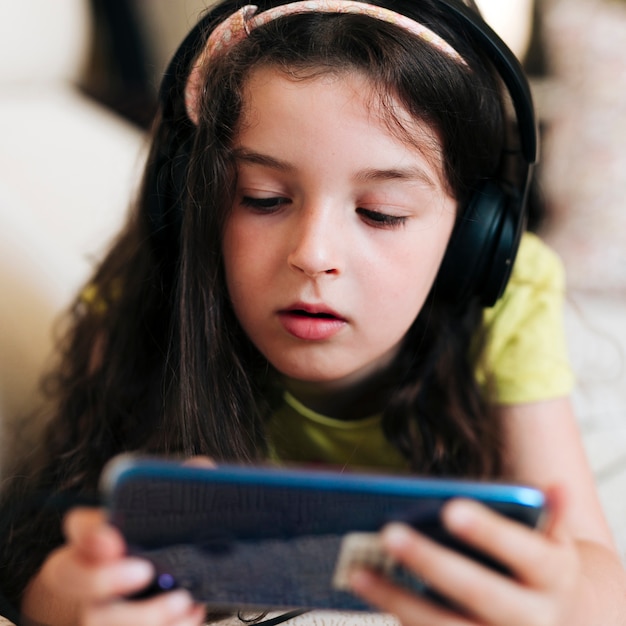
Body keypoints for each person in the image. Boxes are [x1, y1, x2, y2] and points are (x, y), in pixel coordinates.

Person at [1, 0, 625, 625]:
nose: (313, 256)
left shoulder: (511, 299)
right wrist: (65, 599)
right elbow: (42, 559)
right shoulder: (152, 287)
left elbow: (597, 574)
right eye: (262, 199)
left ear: (472, 237)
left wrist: (567, 602)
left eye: (381, 212)